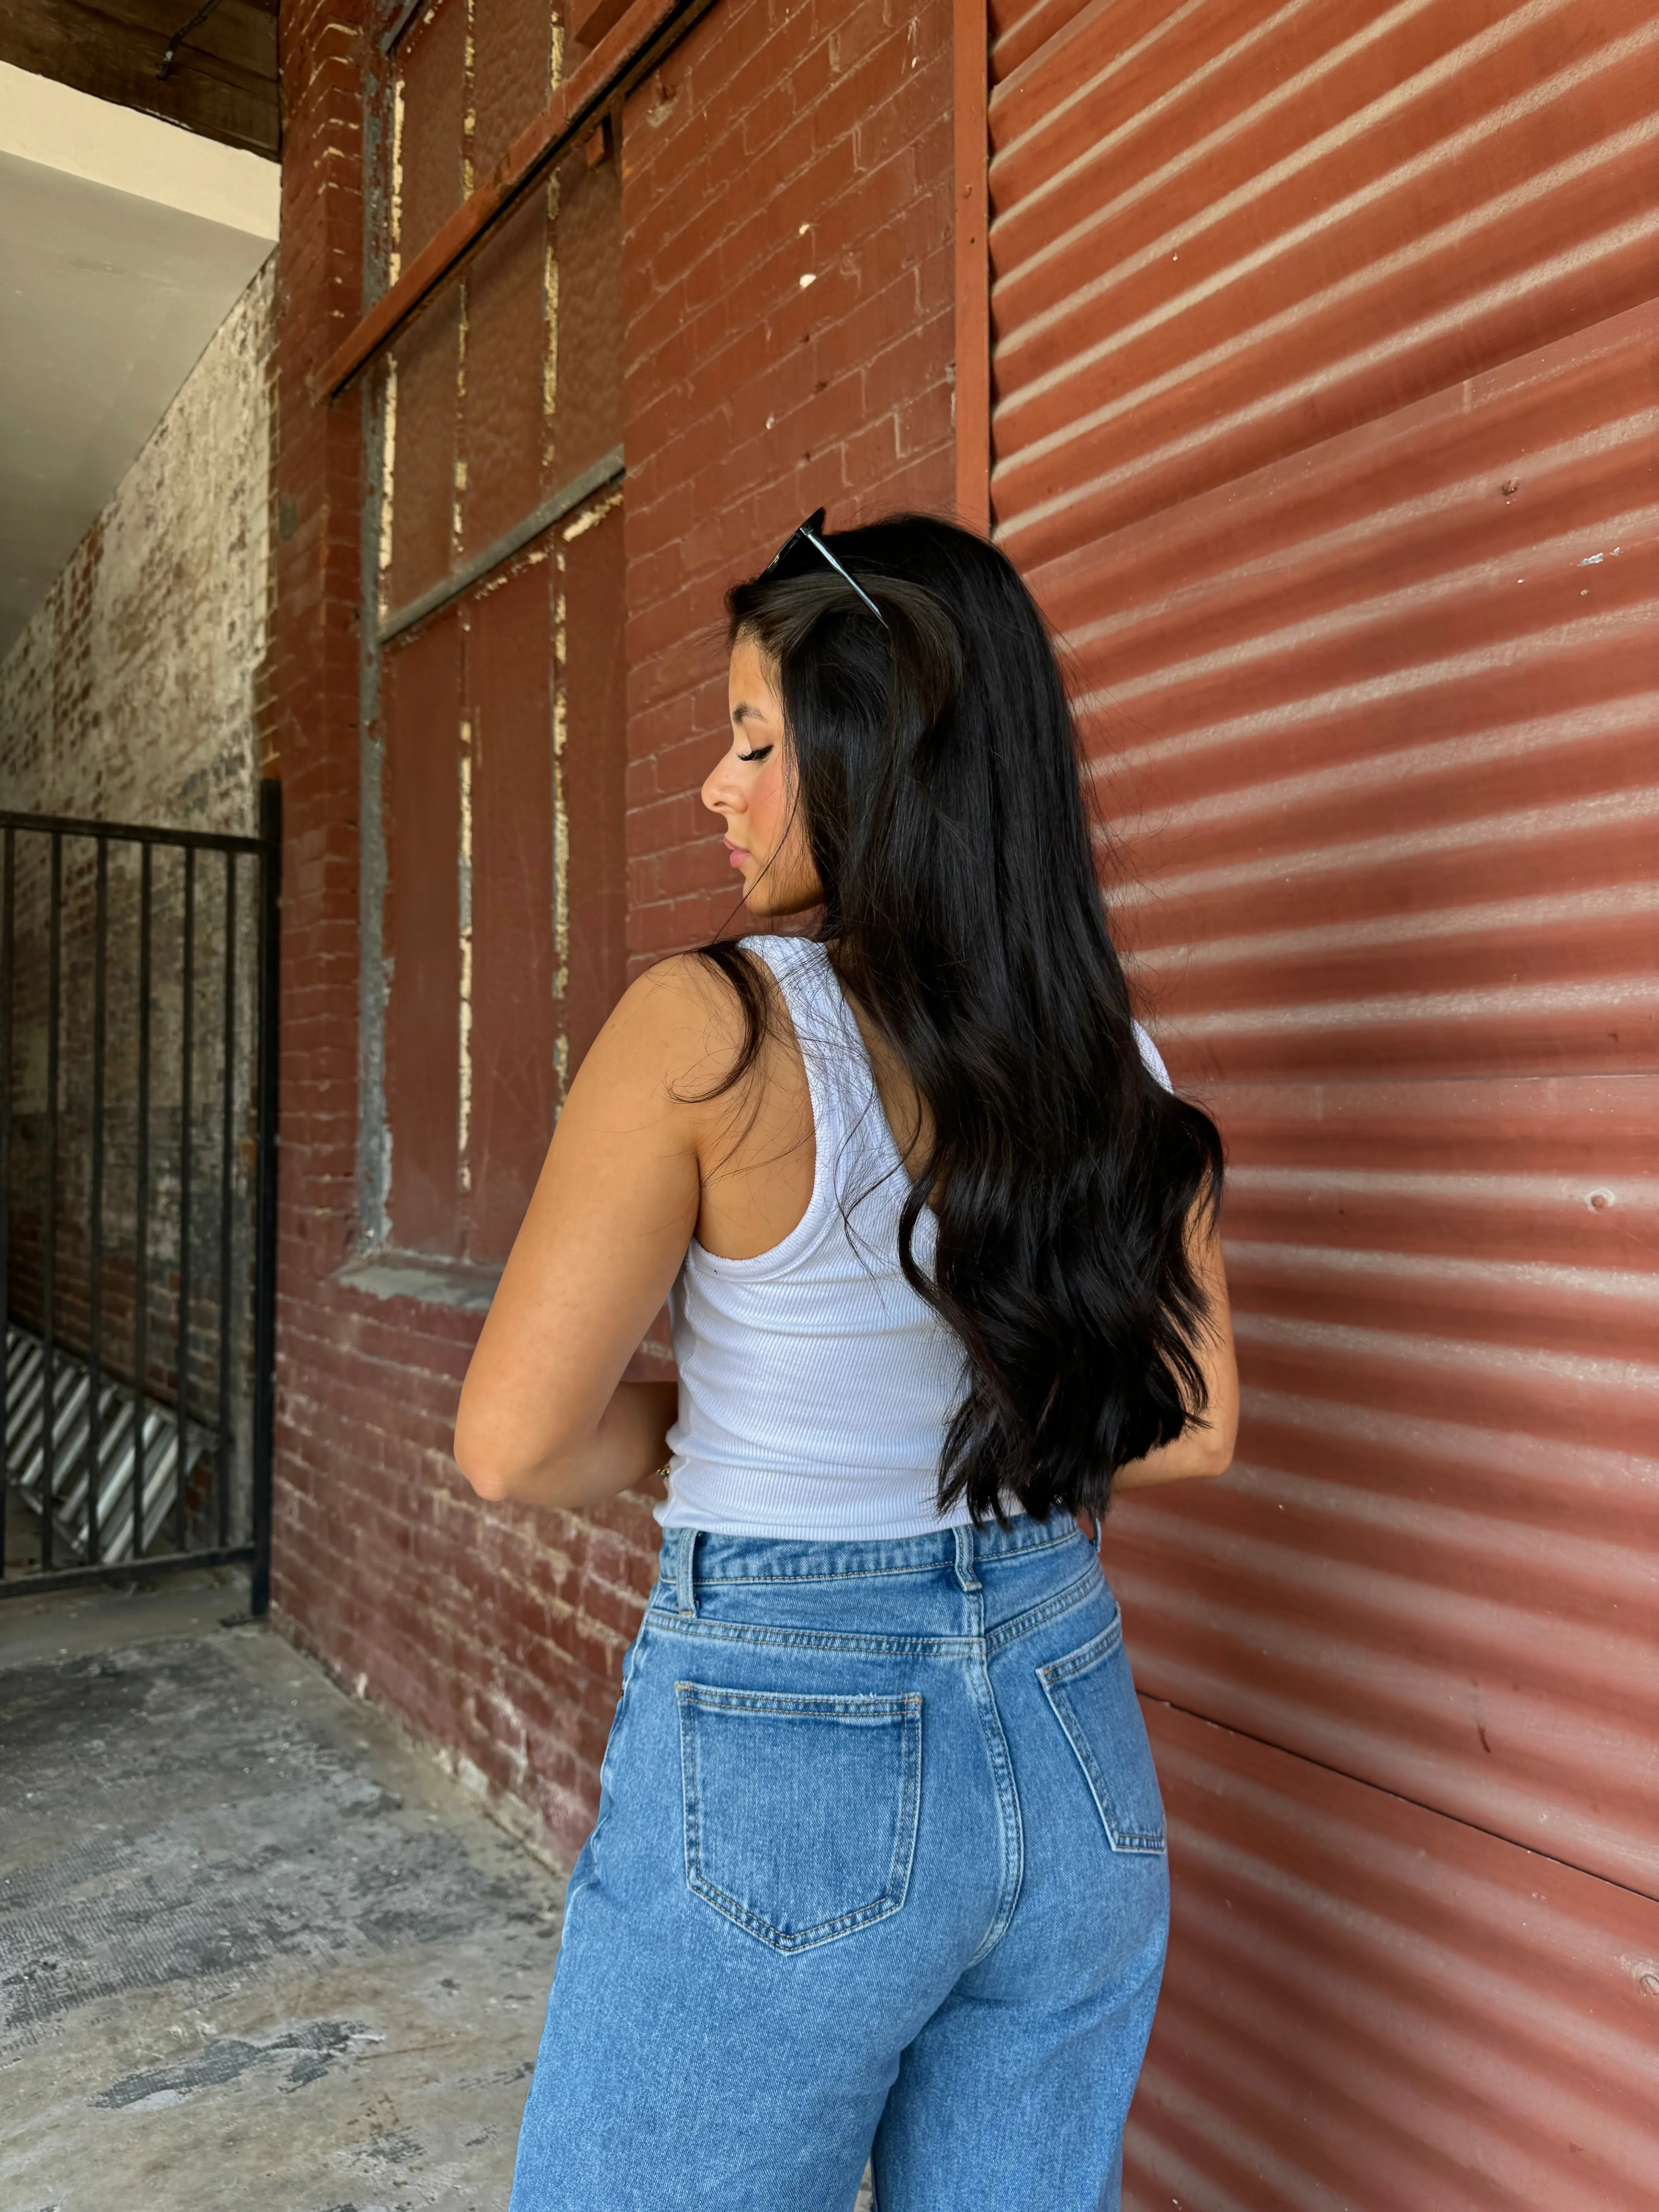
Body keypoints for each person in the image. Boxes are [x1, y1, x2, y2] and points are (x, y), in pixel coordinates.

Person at [453, 510, 1238, 2212]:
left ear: (879, 740)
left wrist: (701, 1432)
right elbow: (1189, 1426)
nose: (716, 789)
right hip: (1069, 1732)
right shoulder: (1103, 1044)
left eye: (751, 737)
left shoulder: (709, 1029)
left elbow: (515, 1445)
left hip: (788, 1753)